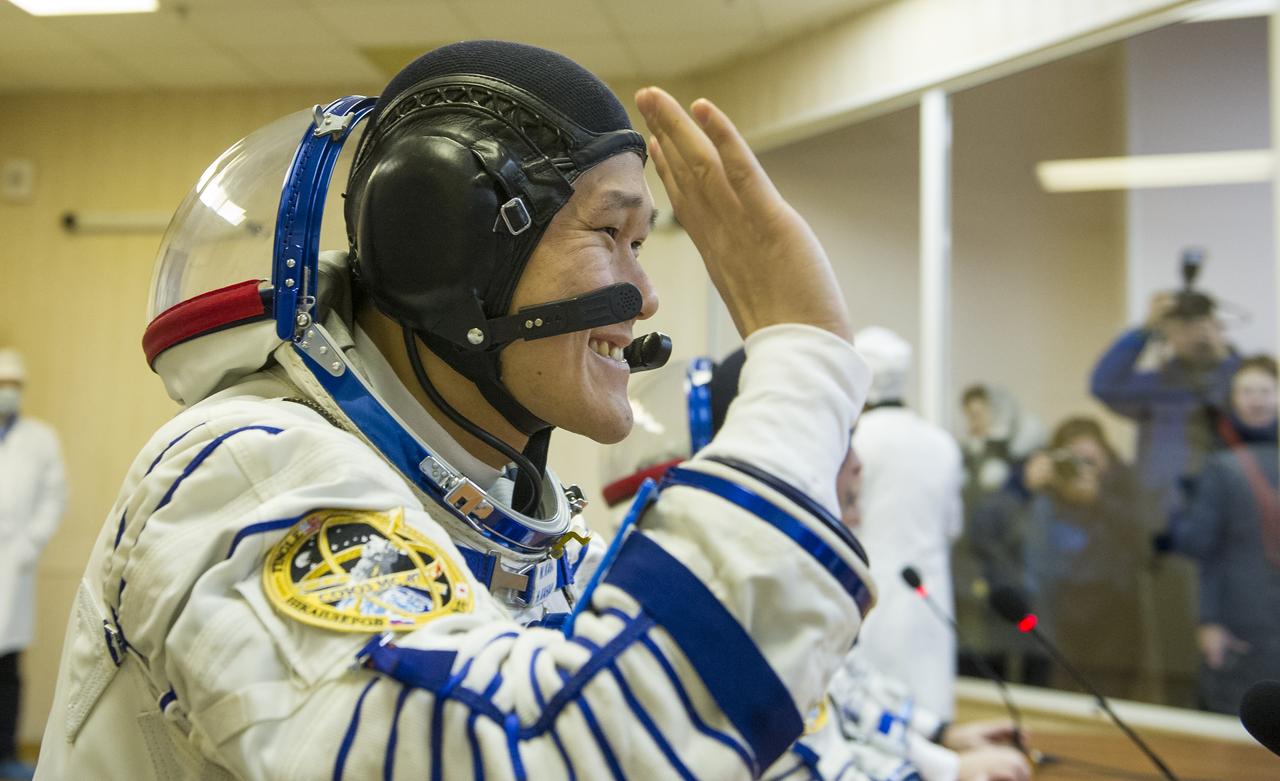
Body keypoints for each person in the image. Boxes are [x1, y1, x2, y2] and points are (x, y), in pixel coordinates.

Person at [38, 42, 877, 779]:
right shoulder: (245, 472)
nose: (645, 294)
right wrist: (804, 361)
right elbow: (537, 755)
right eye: (610, 233)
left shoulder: (498, 521)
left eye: (641, 244)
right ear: (445, 245)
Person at [603, 353, 1030, 781]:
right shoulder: (724, 608)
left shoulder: (772, 591)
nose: (858, 463)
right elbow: (819, 756)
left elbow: (846, 700)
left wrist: (942, 741)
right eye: (838, 444)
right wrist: (949, 769)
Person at [849, 327, 964, 720]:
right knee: (931, 716)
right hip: (928, 596)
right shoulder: (941, 442)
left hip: (867, 593)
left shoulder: (854, 441)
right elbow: (952, 526)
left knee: (875, 719)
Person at [1170, 355, 1280, 715]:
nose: (1257, 399)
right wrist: (1210, 620)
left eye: (1264, 390)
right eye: (1247, 391)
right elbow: (1204, 548)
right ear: (1233, 399)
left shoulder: (1220, 463)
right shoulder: (1216, 463)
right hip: (1242, 621)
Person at [1022, 417, 1151, 700]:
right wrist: (1023, 486)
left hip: (1114, 605)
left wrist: (1099, 499)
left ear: (1106, 454)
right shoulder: (1048, 493)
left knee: (1113, 691)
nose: (1082, 469)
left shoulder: (1124, 482)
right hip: (1060, 604)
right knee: (1063, 689)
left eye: (1090, 460)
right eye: (1074, 460)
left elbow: (1145, 538)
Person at [0, 349, 66, 781]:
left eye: (15, 386)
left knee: (7, 670)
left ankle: (4, 754)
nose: (9, 394)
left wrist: (29, 544)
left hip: (13, 565)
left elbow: (54, 497)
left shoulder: (40, 438)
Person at [952, 385, 1044, 685]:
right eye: (971, 415)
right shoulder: (963, 459)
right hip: (968, 578)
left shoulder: (1017, 465)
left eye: (981, 414)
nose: (975, 424)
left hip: (1009, 578)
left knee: (1011, 654)